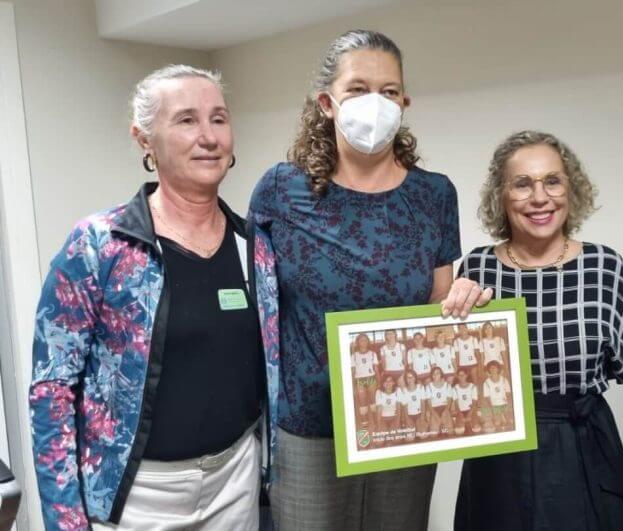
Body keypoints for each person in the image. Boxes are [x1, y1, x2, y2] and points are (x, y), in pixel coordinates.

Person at [248, 29, 489, 530]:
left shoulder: (434, 195)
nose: (374, 103)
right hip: (309, 429)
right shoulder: (279, 190)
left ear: (404, 102)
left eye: (388, 91)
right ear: (327, 103)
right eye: (358, 89)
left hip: (402, 422)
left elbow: (438, 308)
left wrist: (464, 300)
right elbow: (259, 309)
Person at [29, 64, 279, 530]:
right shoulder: (99, 245)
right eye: (186, 120)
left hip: (235, 482)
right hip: (136, 496)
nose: (208, 137)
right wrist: (65, 519)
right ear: (145, 139)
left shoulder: (255, 247)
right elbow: (52, 389)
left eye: (219, 118)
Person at [454, 130, 623, 531]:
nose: (539, 197)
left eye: (552, 180)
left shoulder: (604, 266)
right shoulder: (477, 268)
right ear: (501, 195)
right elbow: (452, 377)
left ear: (571, 189)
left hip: (582, 449)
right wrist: (448, 311)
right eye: (522, 184)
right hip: (498, 456)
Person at [351, 333, 380, 425]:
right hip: (359, 380)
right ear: (358, 342)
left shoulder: (372, 354)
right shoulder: (354, 356)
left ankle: (375, 418)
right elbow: (353, 371)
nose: (363, 342)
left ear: (368, 342)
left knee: (373, 399)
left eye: (365, 340)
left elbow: (376, 369)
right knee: (362, 399)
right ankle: (365, 419)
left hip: (371, 378)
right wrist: (353, 385)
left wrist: (379, 382)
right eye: (361, 340)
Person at [481, 361, 512, 432]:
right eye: (491, 368)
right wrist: (494, 409)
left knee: (510, 421)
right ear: (488, 370)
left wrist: (507, 405)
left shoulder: (504, 380)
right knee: (497, 423)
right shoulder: (486, 383)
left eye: (495, 368)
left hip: (505, 405)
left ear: (498, 369)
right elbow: (487, 398)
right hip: (493, 406)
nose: (493, 369)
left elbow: (508, 394)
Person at [398, 370, 429, 441]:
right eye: (408, 377)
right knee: (409, 438)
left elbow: (423, 404)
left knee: (423, 436)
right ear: (405, 379)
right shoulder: (403, 390)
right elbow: (404, 407)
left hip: (419, 415)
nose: (410, 379)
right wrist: (407, 419)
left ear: (415, 378)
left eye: (412, 377)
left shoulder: (420, 387)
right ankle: (413, 429)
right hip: (409, 416)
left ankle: (419, 428)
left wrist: (422, 418)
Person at [426, 367, 455, 437]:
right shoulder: (428, 387)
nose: (435, 375)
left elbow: (449, 401)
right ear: (431, 376)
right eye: (434, 374)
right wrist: (435, 415)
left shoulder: (447, 385)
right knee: (433, 435)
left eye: (437, 373)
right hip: (434, 410)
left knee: (450, 432)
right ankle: (440, 426)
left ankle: (445, 425)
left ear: (441, 374)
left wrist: (446, 412)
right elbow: (429, 404)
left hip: (445, 409)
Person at [373, 375, 401, 446]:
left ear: (393, 383)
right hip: (383, 419)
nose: (388, 383)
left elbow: (398, 409)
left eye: (390, 381)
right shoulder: (378, 392)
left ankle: (389, 434)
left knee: (396, 439)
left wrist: (397, 425)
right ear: (383, 383)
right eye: (386, 381)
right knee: (379, 442)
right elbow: (379, 411)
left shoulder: (398, 391)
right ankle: (386, 434)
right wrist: (379, 428)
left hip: (394, 418)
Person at [452, 368, 481, 436]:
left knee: (477, 428)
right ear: (457, 376)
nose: (461, 377)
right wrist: (460, 414)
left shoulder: (473, 386)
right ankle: (455, 420)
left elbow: (474, 403)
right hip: (460, 411)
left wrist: (470, 414)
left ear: (467, 375)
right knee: (458, 431)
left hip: (471, 410)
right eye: (459, 375)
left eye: (463, 375)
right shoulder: (455, 388)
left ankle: (476, 419)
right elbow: (456, 404)